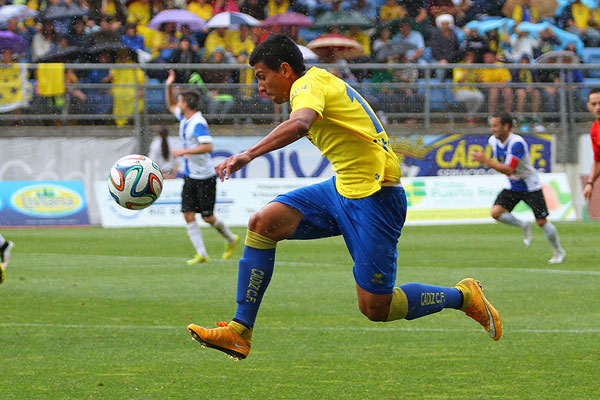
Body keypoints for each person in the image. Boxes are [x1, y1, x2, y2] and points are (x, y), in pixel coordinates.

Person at [186, 34, 502, 361]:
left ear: (284, 69)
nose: (260, 88)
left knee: (376, 307)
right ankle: (239, 331)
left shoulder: (306, 87)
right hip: (342, 190)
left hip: (376, 196)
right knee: (263, 223)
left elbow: (300, 123)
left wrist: (247, 154)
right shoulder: (315, 81)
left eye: (262, 77)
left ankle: (463, 296)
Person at [165, 69, 239, 264]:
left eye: (181, 101)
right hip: (191, 176)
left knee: (208, 217)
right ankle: (202, 254)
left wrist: (182, 152)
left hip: (205, 176)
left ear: (187, 103)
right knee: (188, 214)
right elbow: (170, 104)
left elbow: (208, 146)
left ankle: (231, 239)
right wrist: (168, 85)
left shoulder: (197, 123)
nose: (178, 104)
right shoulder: (184, 119)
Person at [471, 113, 565, 264]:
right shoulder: (493, 141)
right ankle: (523, 224)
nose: (492, 129)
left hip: (530, 186)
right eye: (492, 125)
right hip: (513, 186)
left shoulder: (517, 143)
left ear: (506, 126)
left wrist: (486, 161)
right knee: (496, 213)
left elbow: (508, 169)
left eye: (496, 126)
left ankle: (558, 250)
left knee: (541, 221)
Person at [583, 88, 600, 202]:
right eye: (594, 104)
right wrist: (590, 182)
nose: (598, 107)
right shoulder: (594, 130)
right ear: (589, 106)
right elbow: (598, 160)